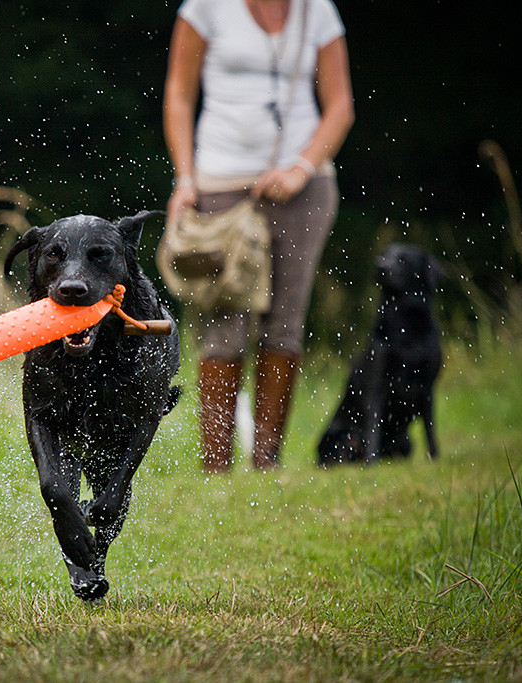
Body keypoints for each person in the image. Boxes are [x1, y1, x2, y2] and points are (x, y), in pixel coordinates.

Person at [162, 0, 354, 471]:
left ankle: (266, 462)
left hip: (302, 189)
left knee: (284, 321)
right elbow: (179, 96)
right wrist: (185, 178)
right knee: (224, 320)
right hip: (219, 185)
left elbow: (341, 106)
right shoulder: (205, 8)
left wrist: (301, 167)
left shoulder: (318, 11)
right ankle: (217, 467)